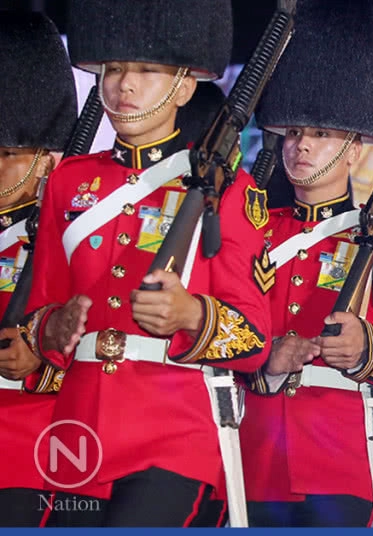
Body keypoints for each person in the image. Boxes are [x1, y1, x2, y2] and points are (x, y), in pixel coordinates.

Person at [22, 0, 270, 527]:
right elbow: (38, 307)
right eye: (112, 69)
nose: (122, 85)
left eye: (145, 70)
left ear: (183, 87)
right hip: (78, 428)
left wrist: (193, 317)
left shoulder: (228, 189)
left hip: (173, 432)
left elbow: (254, 340)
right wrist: (51, 327)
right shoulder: (68, 182)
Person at [238, 0, 373, 527]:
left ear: (354, 150)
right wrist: (265, 358)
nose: (301, 146)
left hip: (343, 459)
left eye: (320, 134)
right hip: (252, 455)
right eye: (295, 132)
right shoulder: (252, 227)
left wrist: (367, 348)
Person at [0, 10, 79, 528]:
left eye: (6, 152)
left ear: (45, 158)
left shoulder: (69, 234)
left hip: (30, 445)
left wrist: (41, 360)